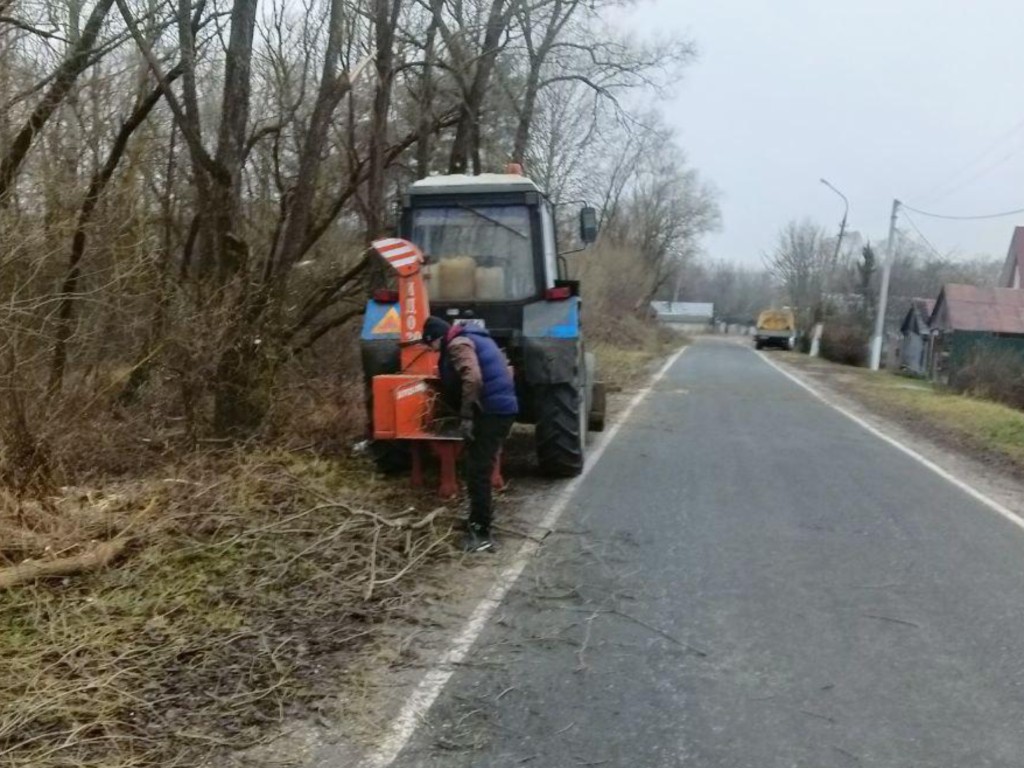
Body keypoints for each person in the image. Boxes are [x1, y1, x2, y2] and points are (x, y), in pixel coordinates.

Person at [421, 316, 518, 553]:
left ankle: (481, 534)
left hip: (492, 413)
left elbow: (472, 377)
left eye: (431, 346)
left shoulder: (457, 344)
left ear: (436, 339)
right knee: (478, 468)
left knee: (478, 472)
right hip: (498, 410)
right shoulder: (474, 337)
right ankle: (477, 519)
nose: (433, 351)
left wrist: (466, 415)